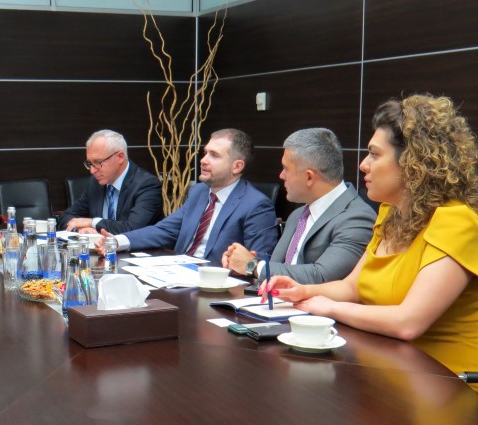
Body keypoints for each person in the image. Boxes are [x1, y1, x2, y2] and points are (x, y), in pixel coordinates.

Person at [262, 95, 478, 389]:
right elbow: (352, 287)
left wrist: (329, 307)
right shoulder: (390, 213)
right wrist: (303, 291)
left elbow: (408, 322)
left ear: (414, 163)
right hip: (388, 366)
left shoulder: (457, 222)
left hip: (444, 382)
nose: (363, 165)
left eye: (375, 155)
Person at [98, 129, 278, 265]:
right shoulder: (199, 192)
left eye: (214, 156)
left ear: (237, 166)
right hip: (179, 272)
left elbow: (257, 264)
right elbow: (166, 230)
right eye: (205, 153)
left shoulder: (256, 205)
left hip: (216, 285)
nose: (203, 160)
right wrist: (117, 241)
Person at [222, 128, 376, 283]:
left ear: (309, 177)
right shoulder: (299, 214)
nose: (281, 175)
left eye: (286, 169)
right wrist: (244, 268)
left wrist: (253, 265)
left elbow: (321, 276)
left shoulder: (357, 218)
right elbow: (280, 269)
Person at [58, 129, 163, 234]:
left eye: (97, 162)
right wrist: (81, 229)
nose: (92, 170)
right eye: (90, 164)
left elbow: (132, 229)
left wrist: (93, 222)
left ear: (120, 157)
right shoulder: (95, 183)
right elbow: (66, 217)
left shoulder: (147, 185)